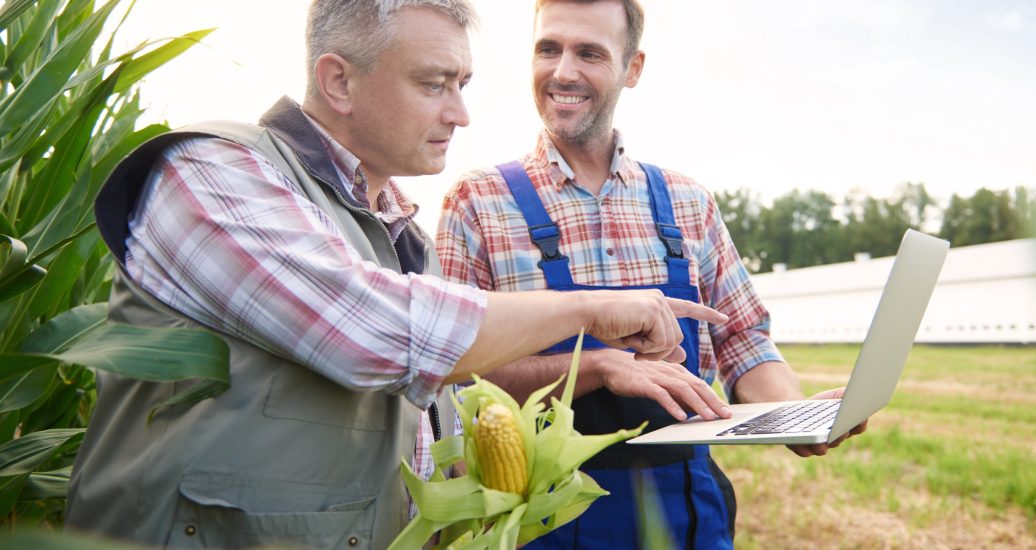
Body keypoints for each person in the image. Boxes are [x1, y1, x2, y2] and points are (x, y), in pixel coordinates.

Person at [64, 1, 728, 548]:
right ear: (339, 82)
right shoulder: (212, 175)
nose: (460, 114)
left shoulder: (403, 238)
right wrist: (588, 313)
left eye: (462, 86)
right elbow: (376, 332)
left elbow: (431, 423)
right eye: (435, 83)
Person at [436, 1, 869, 548]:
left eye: (589, 52)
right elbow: (454, 376)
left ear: (632, 68)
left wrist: (793, 414)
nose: (563, 71)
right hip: (544, 520)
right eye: (549, 49)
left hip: (688, 510)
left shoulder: (688, 203)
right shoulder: (478, 203)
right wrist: (597, 367)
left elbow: (742, 340)